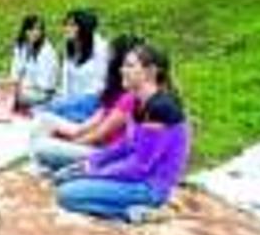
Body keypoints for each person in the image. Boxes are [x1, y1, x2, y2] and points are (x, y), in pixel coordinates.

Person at [53, 44, 191, 223]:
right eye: (124, 65)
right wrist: (92, 162)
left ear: (150, 72)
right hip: (134, 177)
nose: (121, 70)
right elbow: (126, 145)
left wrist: (97, 173)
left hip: (149, 187)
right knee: (62, 180)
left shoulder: (160, 108)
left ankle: (142, 212)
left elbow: (140, 166)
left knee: (66, 195)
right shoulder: (137, 100)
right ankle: (132, 208)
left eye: (129, 66)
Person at [31, 34, 143, 174]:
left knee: (41, 147)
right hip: (95, 143)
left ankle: (48, 163)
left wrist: (69, 144)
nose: (106, 58)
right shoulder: (115, 90)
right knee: (45, 120)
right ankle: (47, 162)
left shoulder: (129, 98)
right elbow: (91, 122)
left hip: (102, 152)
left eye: (110, 54)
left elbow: (100, 134)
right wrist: (73, 134)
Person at [43, 8, 109, 122]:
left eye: (72, 25)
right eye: (66, 25)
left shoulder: (101, 48)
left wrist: (74, 101)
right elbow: (66, 79)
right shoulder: (69, 46)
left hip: (91, 99)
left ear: (84, 27)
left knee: (49, 110)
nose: (67, 29)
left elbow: (101, 84)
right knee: (52, 110)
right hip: (72, 100)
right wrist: (64, 99)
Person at [10, 14, 59, 108]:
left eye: (39, 29)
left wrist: (20, 87)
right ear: (25, 30)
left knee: (14, 96)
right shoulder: (21, 46)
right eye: (31, 29)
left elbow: (44, 84)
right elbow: (14, 72)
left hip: (41, 93)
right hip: (22, 88)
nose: (35, 33)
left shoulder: (47, 51)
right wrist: (12, 84)